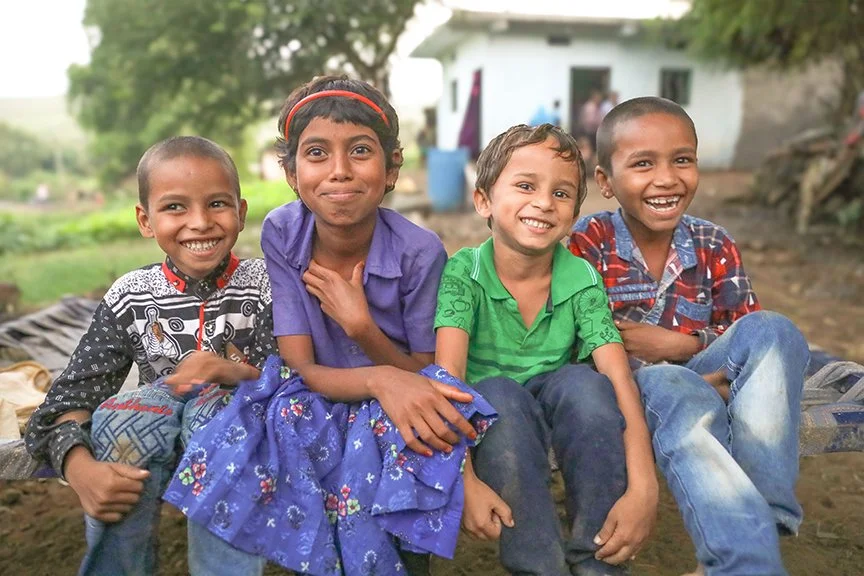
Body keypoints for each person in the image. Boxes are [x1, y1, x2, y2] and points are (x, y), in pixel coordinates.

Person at [163, 76, 493, 576]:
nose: (339, 172)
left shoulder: (420, 252)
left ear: (391, 169)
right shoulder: (283, 231)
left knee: (415, 439)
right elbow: (301, 364)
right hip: (315, 393)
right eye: (317, 153)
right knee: (238, 450)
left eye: (360, 151)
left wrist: (362, 328)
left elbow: (428, 373)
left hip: (403, 398)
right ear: (291, 172)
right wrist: (380, 378)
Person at [569, 97, 809, 576]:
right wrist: (687, 369)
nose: (666, 178)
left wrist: (682, 346)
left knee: (775, 329)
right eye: (643, 164)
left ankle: (760, 515)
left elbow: (742, 330)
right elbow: (585, 341)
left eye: (682, 160)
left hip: (701, 367)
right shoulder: (588, 242)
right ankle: (746, 555)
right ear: (605, 182)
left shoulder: (713, 242)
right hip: (631, 389)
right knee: (676, 387)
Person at [24, 136, 278, 575]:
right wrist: (80, 469)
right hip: (154, 424)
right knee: (123, 418)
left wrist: (227, 370)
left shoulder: (266, 284)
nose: (199, 222)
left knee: (225, 422)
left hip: (231, 422)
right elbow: (67, 403)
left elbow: (292, 376)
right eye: (175, 207)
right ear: (145, 219)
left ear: (241, 211)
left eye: (217, 203)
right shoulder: (131, 296)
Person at [434, 122, 658, 576]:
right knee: (497, 395)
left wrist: (644, 487)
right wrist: (464, 481)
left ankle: (599, 563)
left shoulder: (580, 279)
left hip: (556, 401)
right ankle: (540, 568)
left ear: (573, 213)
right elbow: (449, 383)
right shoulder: (465, 274)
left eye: (561, 193)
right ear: (484, 202)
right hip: (495, 414)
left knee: (588, 387)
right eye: (524, 186)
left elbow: (618, 379)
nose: (543, 202)